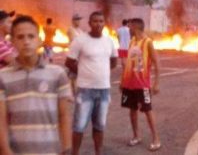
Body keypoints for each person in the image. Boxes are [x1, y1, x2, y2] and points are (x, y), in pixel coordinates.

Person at [0, 15, 72, 155]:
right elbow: (1, 119)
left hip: (50, 151)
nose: (26, 42)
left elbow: (64, 116)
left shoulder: (57, 74)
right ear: (13, 42)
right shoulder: (3, 77)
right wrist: (5, 150)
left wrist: (67, 148)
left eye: (31, 36)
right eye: (20, 37)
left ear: (39, 41)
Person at [65, 11, 117, 155]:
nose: (98, 24)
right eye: (95, 21)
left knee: (100, 126)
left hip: (104, 90)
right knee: (79, 126)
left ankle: (98, 152)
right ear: (89, 23)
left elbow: (114, 61)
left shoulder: (109, 41)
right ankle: (75, 153)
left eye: (101, 21)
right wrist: (83, 72)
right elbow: (69, 62)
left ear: (104, 23)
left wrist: (101, 73)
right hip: (85, 90)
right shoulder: (80, 40)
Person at [120, 18, 161, 151]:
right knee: (132, 110)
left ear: (136, 28)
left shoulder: (148, 42)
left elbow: (156, 63)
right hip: (129, 83)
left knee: (147, 111)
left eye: (130, 27)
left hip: (142, 84)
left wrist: (156, 83)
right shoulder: (132, 41)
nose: (128, 30)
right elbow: (128, 63)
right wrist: (122, 80)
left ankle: (156, 139)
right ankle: (136, 136)